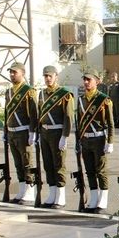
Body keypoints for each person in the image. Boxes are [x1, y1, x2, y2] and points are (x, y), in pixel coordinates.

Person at [77, 69, 114, 213]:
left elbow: (110, 123)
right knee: (90, 170)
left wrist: (110, 141)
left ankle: (102, 200)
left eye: (89, 79)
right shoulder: (81, 99)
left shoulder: (104, 100)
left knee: (101, 170)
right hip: (85, 139)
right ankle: (93, 199)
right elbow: (79, 122)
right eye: (84, 79)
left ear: (97, 81)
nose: (86, 82)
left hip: (99, 139)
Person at [38, 65, 74, 209]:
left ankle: (61, 196)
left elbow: (68, 117)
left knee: (59, 165)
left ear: (56, 76)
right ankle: (52, 194)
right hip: (44, 132)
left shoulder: (64, 94)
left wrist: (65, 136)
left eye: (50, 76)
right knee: (48, 165)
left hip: (58, 132)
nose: (47, 79)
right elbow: (39, 115)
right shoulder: (41, 94)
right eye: (45, 76)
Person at [4, 62, 38, 204]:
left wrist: (32, 132)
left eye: (15, 72)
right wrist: (5, 130)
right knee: (18, 163)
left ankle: (30, 191)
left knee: (26, 162)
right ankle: (22, 190)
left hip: (24, 132)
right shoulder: (9, 92)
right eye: (11, 72)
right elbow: (6, 113)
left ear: (22, 73)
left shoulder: (28, 91)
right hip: (12, 132)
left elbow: (33, 114)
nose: (12, 75)